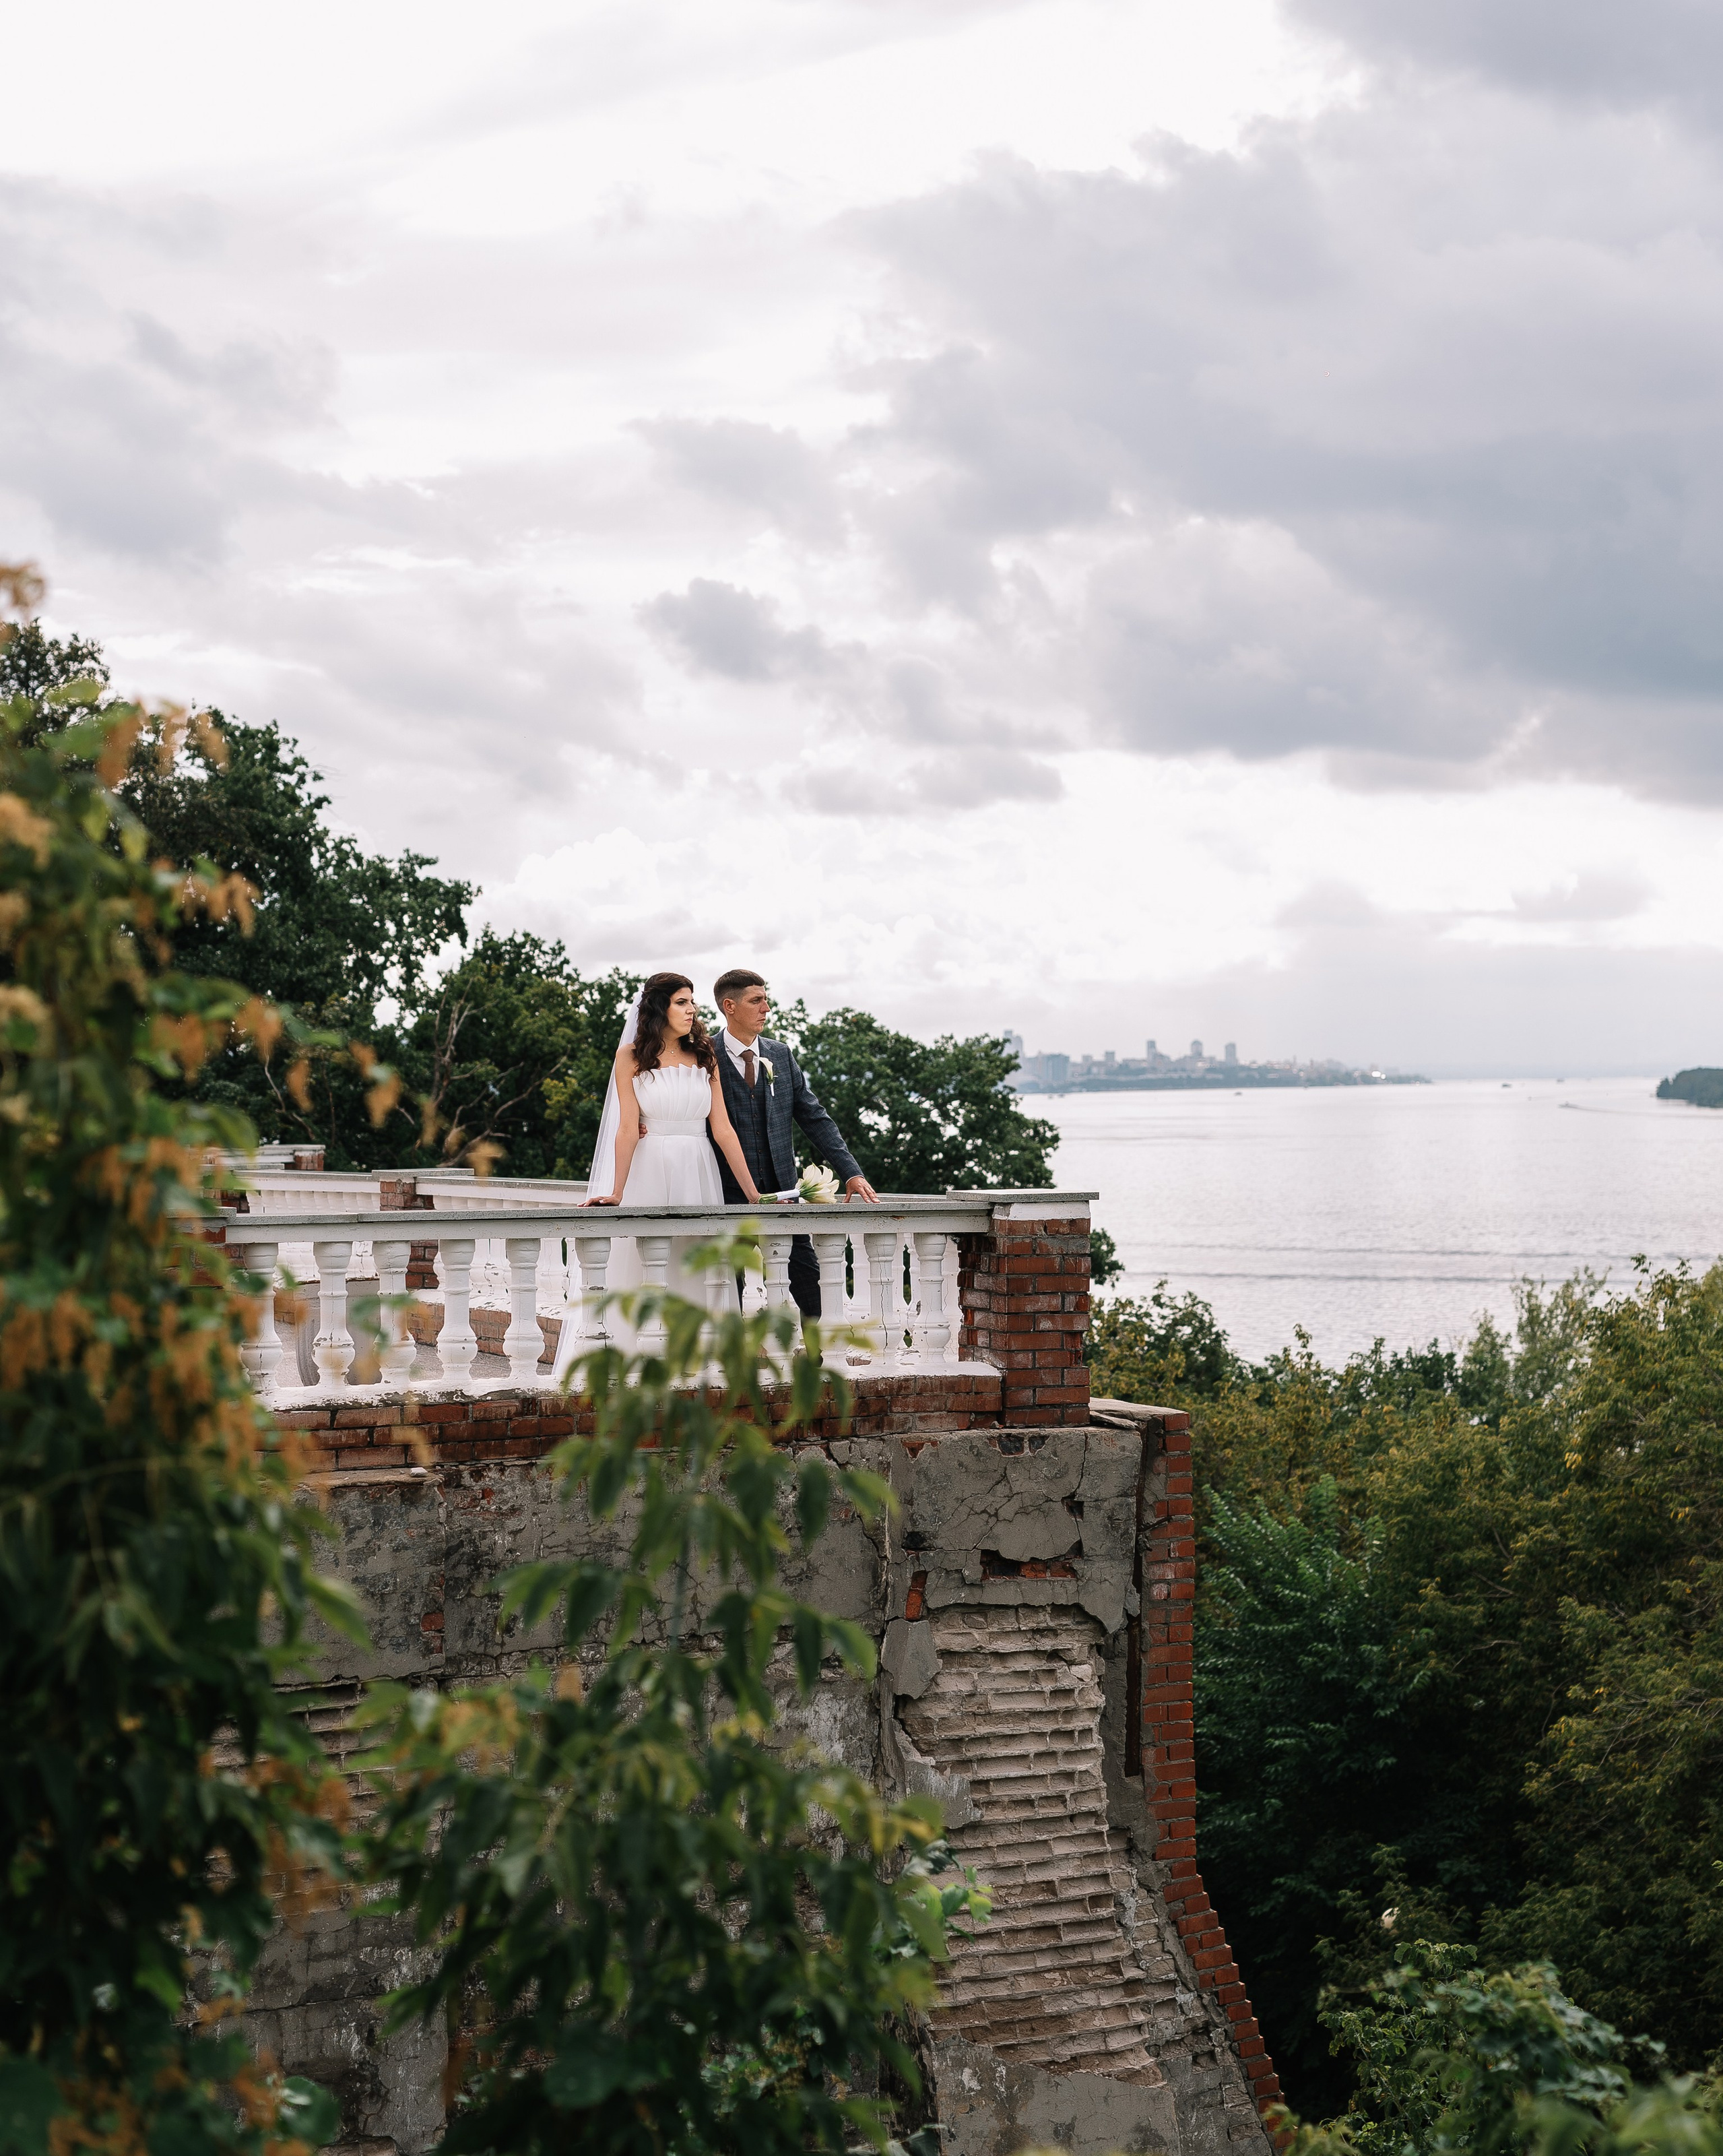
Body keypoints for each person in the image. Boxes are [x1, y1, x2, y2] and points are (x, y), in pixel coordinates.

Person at [549, 972, 760, 1379]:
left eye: (692, 1002)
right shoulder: (629, 1057)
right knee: (644, 1267)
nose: (692, 1010)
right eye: (682, 1002)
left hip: (699, 1170)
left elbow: (723, 1129)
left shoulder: (706, 1054)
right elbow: (628, 1127)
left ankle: (699, 1368)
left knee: (696, 1267)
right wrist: (615, 1192)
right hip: (651, 1169)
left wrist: (753, 1194)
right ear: (659, 1008)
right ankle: (633, 1365)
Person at [710, 967, 878, 1320]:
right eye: (756, 1001)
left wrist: (851, 1172)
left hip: (784, 1191)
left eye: (766, 1000)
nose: (766, 1009)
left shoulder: (781, 1055)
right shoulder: (704, 1054)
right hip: (723, 1192)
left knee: (808, 1279)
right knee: (727, 1287)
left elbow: (815, 1118)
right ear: (729, 1006)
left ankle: (820, 1360)